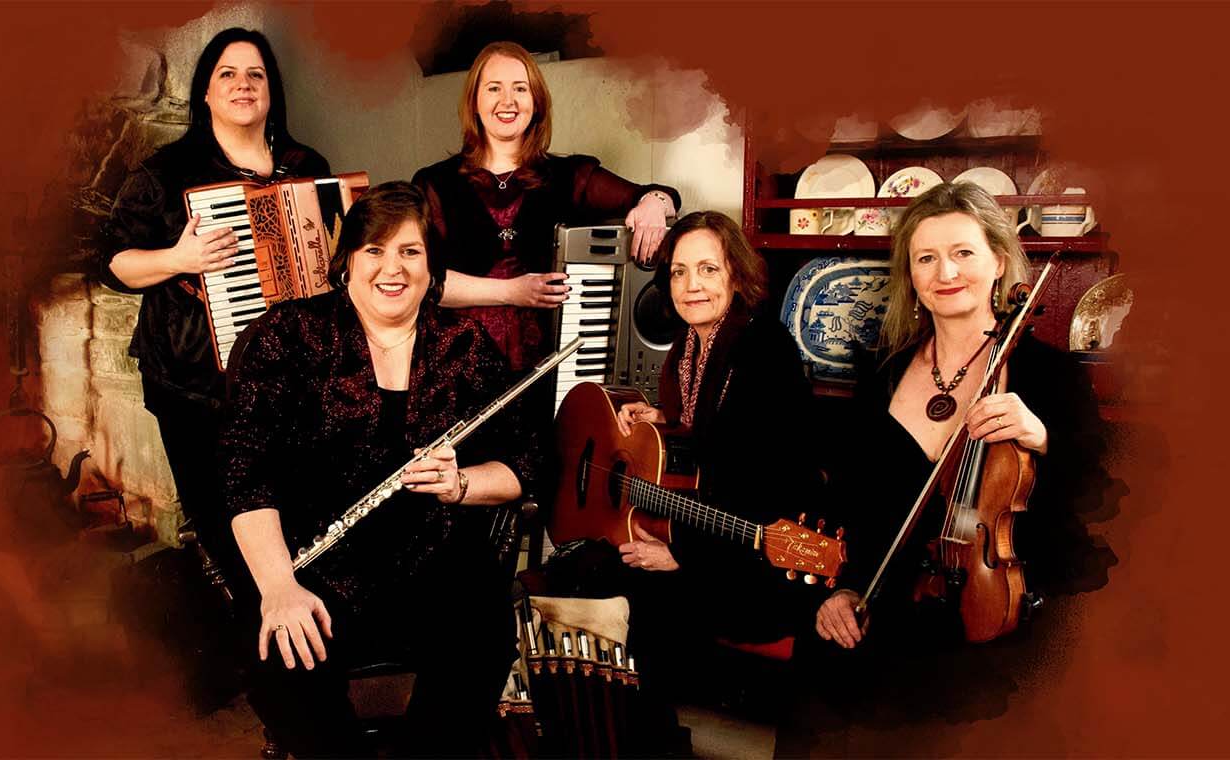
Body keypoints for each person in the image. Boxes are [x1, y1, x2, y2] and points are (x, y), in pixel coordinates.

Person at [774, 182, 1108, 757]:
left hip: (997, 612)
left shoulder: (1051, 379)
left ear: (998, 262)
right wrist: (839, 589)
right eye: (926, 258)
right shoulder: (884, 373)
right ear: (910, 275)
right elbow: (848, 503)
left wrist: (1042, 437)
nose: (945, 271)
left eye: (963, 253)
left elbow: (1100, 505)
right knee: (823, 682)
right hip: (887, 601)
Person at [215, 182, 541, 758]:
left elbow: (527, 461)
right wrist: (278, 587)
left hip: (433, 562)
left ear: (431, 267)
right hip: (311, 563)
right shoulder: (289, 336)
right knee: (280, 654)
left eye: (410, 252)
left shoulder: (462, 342)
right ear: (347, 263)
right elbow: (247, 473)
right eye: (375, 250)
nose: (393, 268)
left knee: (483, 638)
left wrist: (463, 483)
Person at [91, 27, 334, 559]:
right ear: (206, 91)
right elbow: (111, 263)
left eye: (255, 74)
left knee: (289, 518)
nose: (242, 85)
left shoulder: (307, 165)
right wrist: (180, 259)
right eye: (227, 73)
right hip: (194, 387)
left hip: (289, 381)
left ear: (272, 91)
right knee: (221, 525)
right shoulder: (166, 171)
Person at [608, 212, 826, 749]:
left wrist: (679, 550)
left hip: (766, 556)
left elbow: (763, 480)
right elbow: (712, 440)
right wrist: (663, 420)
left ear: (736, 274)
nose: (691, 285)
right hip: (717, 535)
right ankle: (633, 736)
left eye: (708, 269)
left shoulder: (764, 348)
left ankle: (653, 744)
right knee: (599, 564)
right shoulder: (688, 346)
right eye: (679, 272)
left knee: (639, 590)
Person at [411, 41, 681, 372]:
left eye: (520, 89)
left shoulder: (570, 176)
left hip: (553, 367)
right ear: (475, 103)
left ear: (536, 103)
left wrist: (653, 204)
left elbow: (659, 195)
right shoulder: (435, 183)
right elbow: (423, 281)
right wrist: (511, 291)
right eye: (494, 88)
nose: (507, 101)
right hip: (456, 369)